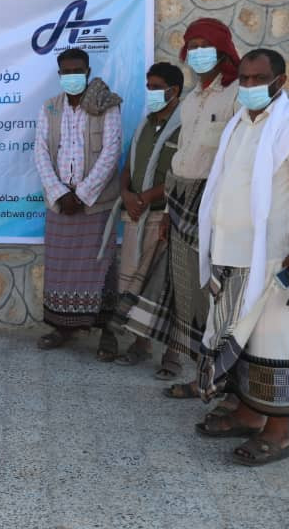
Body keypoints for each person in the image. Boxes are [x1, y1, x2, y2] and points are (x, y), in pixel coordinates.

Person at [193, 49, 289, 467]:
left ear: (280, 81)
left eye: (258, 78)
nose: (249, 86)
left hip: (271, 260)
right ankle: (249, 415)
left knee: (271, 342)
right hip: (231, 254)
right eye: (245, 78)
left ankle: (278, 433)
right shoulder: (240, 121)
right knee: (243, 340)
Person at [159, 19, 241, 395]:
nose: (197, 52)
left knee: (215, 293)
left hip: (212, 204)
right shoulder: (191, 99)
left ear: (222, 50)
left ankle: (225, 379)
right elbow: (182, 155)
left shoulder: (236, 94)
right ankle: (202, 375)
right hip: (180, 200)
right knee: (188, 292)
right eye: (191, 45)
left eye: (204, 45)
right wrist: (166, 212)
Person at [33, 48, 123, 360]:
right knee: (60, 268)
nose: (72, 76)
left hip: (94, 204)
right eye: (66, 72)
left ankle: (107, 332)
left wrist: (82, 194)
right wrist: (60, 193)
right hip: (60, 203)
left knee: (101, 268)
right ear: (60, 75)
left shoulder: (106, 106)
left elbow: (111, 152)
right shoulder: (50, 108)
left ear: (87, 72)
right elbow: (41, 151)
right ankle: (62, 327)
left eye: (77, 71)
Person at [106, 62, 183, 366]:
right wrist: (127, 194)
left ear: (174, 91)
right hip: (137, 216)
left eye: (156, 87)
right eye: (148, 87)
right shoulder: (145, 125)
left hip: (166, 217)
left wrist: (147, 197)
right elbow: (129, 166)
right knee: (135, 284)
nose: (150, 92)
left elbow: (183, 175)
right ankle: (141, 344)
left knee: (166, 288)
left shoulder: (185, 127)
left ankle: (173, 354)